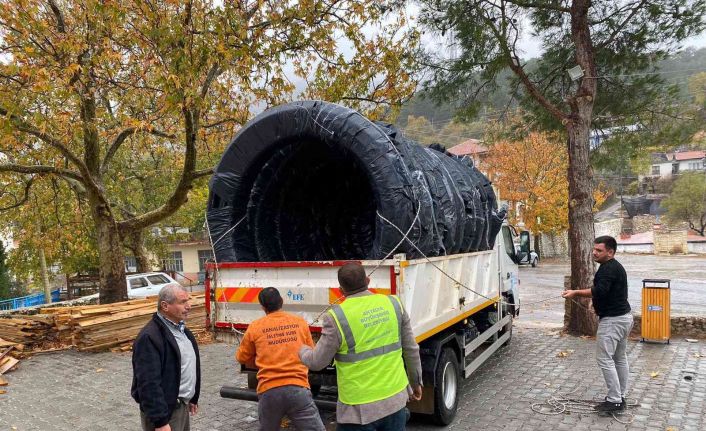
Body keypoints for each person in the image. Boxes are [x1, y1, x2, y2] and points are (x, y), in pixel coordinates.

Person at [300, 262, 422, 430]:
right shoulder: (394, 304)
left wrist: (301, 349)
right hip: (395, 402)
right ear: (368, 281)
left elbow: (317, 362)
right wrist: (416, 382)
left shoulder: (336, 317)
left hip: (358, 410)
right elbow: (411, 349)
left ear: (341, 290)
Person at [236, 287, 325, 431]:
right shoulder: (300, 323)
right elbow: (310, 353)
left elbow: (241, 357)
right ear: (282, 302)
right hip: (298, 389)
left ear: (263, 307)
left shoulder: (255, 327)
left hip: (269, 392)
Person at [562, 235, 633, 413]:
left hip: (613, 321)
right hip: (624, 318)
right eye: (594, 249)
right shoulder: (614, 267)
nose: (594, 253)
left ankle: (615, 400)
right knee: (619, 358)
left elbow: (599, 290)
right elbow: (606, 292)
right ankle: (620, 396)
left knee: (604, 359)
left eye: (599, 250)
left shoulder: (608, 269)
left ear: (610, 252)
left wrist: (575, 292)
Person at [132, 283, 201, 431]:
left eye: (188, 301)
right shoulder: (150, 337)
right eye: (183, 302)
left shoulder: (182, 330)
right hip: (166, 413)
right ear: (165, 306)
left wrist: (193, 396)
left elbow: (189, 364)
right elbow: (148, 384)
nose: (188, 306)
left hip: (180, 406)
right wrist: (160, 422)